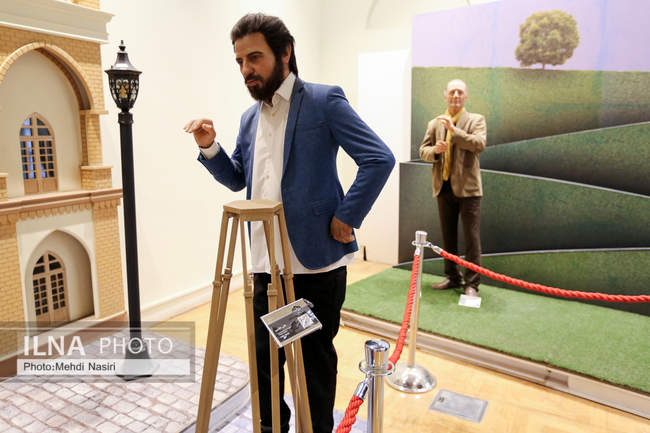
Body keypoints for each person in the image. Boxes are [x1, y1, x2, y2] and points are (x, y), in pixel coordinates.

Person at [184, 13, 394, 433]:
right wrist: (209, 148)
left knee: (314, 365)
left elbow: (378, 158)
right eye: (240, 61)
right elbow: (238, 177)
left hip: (313, 267)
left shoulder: (323, 101)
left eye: (254, 57)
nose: (246, 69)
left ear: (284, 52)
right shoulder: (249, 118)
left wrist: (347, 216)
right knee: (265, 361)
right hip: (264, 265)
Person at [418, 79, 486, 297]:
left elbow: (479, 144)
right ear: (445, 95)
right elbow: (423, 150)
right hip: (443, 188)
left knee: (471, 239)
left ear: (466, 96)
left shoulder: (476, 120)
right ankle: (453, 277)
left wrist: (453, 131)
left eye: (460, 92)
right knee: (448, 237)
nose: (456, 95)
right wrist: (435, 151)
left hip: (469, 190)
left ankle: (472, 284)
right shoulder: (434, 123)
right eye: (452, 92)